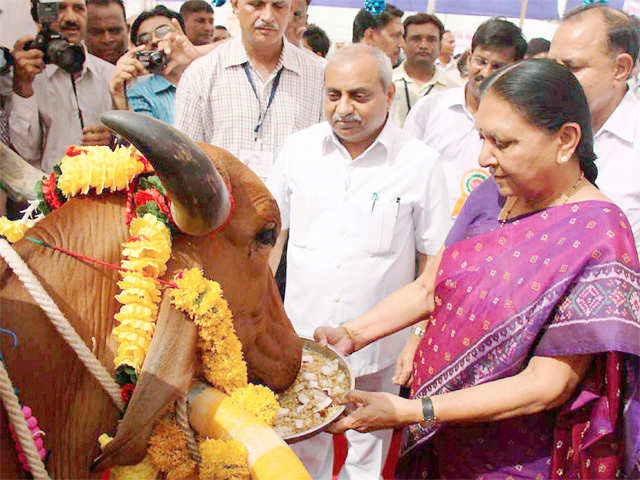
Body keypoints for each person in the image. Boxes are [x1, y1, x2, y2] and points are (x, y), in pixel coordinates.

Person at [316, 59, 640, 480]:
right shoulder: (492, 193)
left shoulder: (599, 233)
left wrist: (413, 410)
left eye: (503, 144)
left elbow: (546, 386)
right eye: (483, 138)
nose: (484, 158)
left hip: (513, 456)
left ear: (566, 140)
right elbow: (427, 290)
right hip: (440, 433)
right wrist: (352, 334)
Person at [267, 43, 449, 480]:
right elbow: (273, 239)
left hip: (381, 345)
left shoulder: (420, 163)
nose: (343, 109)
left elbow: (434, 258)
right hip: (302, 338)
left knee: (368, 458)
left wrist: (416, 337)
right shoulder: (298, 150)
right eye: (333, 95)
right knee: (298, 450)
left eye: (359, 96)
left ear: (389, 96)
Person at [174, 0, 325, 182]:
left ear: (292, 8)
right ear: (235, 5)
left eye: (278, 6)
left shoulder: (319, 77)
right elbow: (186, 164)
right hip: (226, 209)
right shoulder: (200, 75)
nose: (268, 16)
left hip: (295, 209)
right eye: (256, 4)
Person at [404, 18, 526, 219]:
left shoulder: (523, 122)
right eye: (481, 61)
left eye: (497, 66)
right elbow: (404, 170)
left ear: (515, 69)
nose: (486, 73)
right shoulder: (430, 109)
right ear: (469, 58)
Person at [548, 4, 640, 253]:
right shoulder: (534, 127)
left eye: (572, 67)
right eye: (551, 65)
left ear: (620, 68)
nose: (555, 79)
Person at [9, 0, 115, 172]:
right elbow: (26, 151)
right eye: (59, 8)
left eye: (79, 8)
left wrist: (114, 140)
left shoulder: (110, 76)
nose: (71, 18)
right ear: (39, 15)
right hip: (49, 193)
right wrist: (22, 87)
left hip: (104, 193)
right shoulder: (28, 75)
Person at [108, 6, 188, 124]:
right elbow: (143, 138)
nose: (154, 40)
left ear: (183, 34)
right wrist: (118, 95)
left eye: (162, 32)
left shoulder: (208, 75)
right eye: (145, 40)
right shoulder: (140, 93)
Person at [391, 13, 458, 127]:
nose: (423, 45)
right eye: (416, 38)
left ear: (440, 45)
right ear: (403, 42)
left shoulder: (453, 90)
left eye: (431, 39)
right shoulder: (386, 82)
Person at [86, 0, 128, 64]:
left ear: (127, 29)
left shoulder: (143, 70)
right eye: (97, 32)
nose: (107, 40)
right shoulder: (70, 72)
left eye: (115, 31)